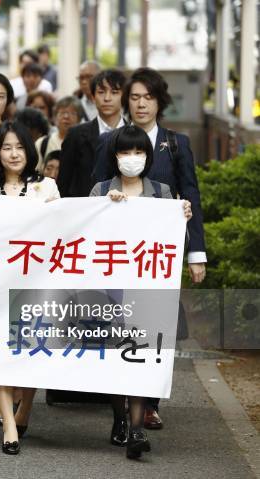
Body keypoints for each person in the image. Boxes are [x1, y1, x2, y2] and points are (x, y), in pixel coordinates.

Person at [92, 68, 208, 429]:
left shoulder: (175, 144)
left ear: (160, 102)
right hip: (116, 256)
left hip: (158, 256)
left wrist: (196, 254)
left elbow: (190, 196)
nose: (141, 104)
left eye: (149, 97)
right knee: (117, 326)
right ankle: (121, 403)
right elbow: (93, 194)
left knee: (156, 328)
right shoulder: (111, 141)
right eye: (135, 97)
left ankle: (149, 403)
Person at [89, 124, 192, 459]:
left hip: (149, 289)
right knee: (117, 355)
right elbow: (82, 239)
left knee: (140, 356)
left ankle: (135, 429)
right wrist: (105, 208)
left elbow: (178, 246)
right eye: (124, 151)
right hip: (111, 290)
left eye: (138, 152)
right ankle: (120, 419)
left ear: (148, 157)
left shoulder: (162, 193)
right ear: (114, 155)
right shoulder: (100, 190)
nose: (131, 158)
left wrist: (183, 220)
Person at [0, 121, 60, 455]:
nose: (14, 153)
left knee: (31, 351)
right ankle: (8, 424)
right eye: (6, 147)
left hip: (35, 283)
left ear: (29, 151)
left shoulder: (47, 188)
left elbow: (62, 231)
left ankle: (26, 409)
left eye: (19, 147)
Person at [58, 69, 127, 197]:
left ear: (124, 96)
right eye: (101, 92)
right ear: (93, 96)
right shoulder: (76, 135)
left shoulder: (135, 135)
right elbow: (64, 181)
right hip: (84, 209)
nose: (107, 98)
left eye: (114, 92)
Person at [35, 96, 83, 167]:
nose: (66, 117)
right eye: (62, 113)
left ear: (79, 120)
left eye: (72, 113)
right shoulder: (42, 143)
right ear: (54, 118)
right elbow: (36, 171)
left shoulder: (84, 144)